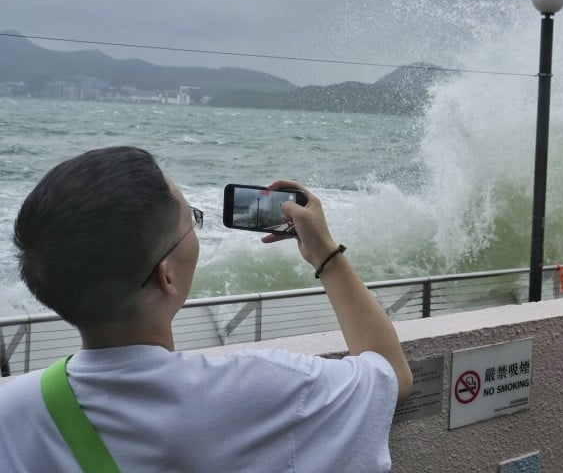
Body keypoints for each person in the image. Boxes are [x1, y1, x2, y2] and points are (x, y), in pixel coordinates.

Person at [0, 146, 413, 472]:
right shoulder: (262, 388)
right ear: (166, 275)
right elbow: (390, 375)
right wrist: (326, 254)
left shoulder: (13, 410)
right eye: (191, 220)